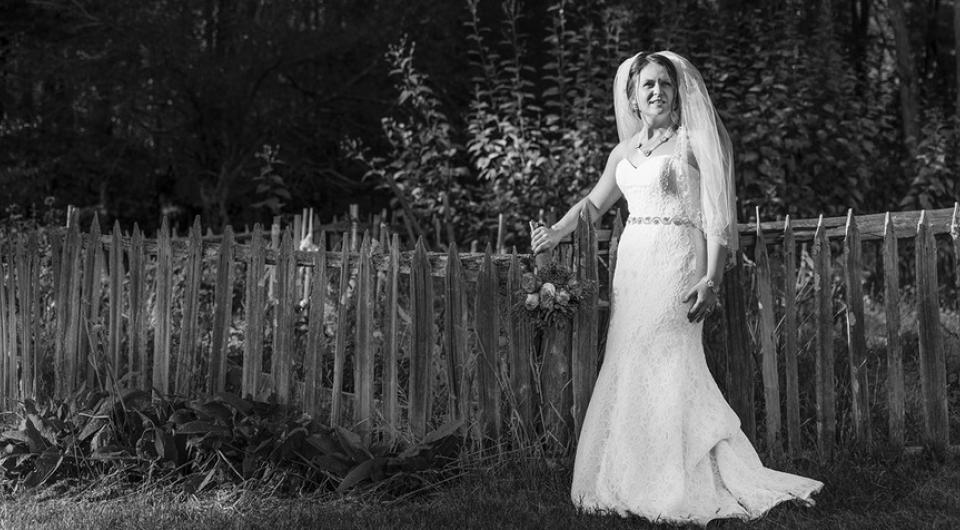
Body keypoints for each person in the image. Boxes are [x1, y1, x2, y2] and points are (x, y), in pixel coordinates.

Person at [530, 51, 823, 526]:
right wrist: (556, 231)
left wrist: (711, 277)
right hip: (633, 270)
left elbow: (715, 217)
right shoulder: (623, 153)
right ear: (633, 96)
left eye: (665, 84)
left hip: (676, 265)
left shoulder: (692, 143)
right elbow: (592, 205)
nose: (657, 92)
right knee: (628, 359)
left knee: (669, 361)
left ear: (677, 91)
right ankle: (628, 473)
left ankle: (680, 478)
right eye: (647, 85)